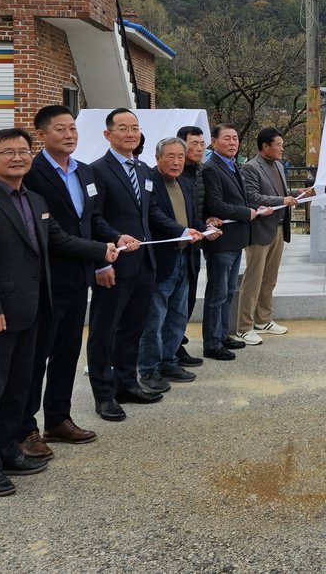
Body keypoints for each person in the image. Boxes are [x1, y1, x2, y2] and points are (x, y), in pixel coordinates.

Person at [0, 128, 118, 497]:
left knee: (18, 389)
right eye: (8, 152)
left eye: (23, 151)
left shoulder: (34, 199)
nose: (17, 157)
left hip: (31, 311)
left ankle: (8, 451)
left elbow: (57, 239)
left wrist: (101, 249)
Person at [17, 106, 131, 458]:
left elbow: (91, 219)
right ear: (41, 135)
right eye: (60, 129)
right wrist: (99, 251)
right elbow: (49, 231)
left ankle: (57, 419)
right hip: (46, 279)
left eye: (72, 128)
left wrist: (116, 237)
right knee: (36, 356)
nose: (69, 135)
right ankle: (25, 429)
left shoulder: (83, 171)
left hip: (78, 276)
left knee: (67, 351)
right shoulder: (31, 174)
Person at [88, 109, 197, 422]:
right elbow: (93, 218)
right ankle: (104, 395)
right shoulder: (96, 170)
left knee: (133, 328)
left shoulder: (143, 170)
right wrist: (109, 247)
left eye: (134, 128)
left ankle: (126, 383)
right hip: (115, 262)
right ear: (108, 134)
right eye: (123, 128)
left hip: (145, 263)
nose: (130, 134)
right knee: (104, 332)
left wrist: (181, 230)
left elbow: (151, 213)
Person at [138, 138, 216, 392]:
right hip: (162, 259)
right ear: (157, 158)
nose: (176, 162)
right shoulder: (149, 182)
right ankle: (148, 369)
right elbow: (154, 215)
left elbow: (192, 218)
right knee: (155, 317)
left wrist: (206, 228)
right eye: (170, 156)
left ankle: (169, 362)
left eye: (180, 157)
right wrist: (181, 231)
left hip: (185, 257)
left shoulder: (185, 183)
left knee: (178, 314)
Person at [201, 124, 271, 360]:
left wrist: (257, 208)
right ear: (214, 142)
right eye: (227, 138)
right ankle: (212, 343)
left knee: (229, 292)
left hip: (235, 240)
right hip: (221, 241)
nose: (233, 143)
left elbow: (241, 199)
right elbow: (215, 205)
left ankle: (222, 336)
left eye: (235, 138)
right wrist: (245, 213)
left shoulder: (232, 165)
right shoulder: (211, 168)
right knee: (217, 294)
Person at [238, 128, 309, 345]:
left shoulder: (278, 165)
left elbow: (281, 194)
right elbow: (252, 197)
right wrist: (282, 200)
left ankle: (263, 320)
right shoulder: (251, 167)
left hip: (278, 228)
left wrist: (297, 194)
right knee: (253, 280)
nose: (282, 149)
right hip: (260, 230)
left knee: (270, 279)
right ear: (265, 146)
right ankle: (244, 327)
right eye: (279, 145)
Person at [176, 125, 209, 367]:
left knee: (187, 298)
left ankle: (177, 342)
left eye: (202, 143)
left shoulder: (200, 172)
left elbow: (201, 207)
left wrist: (208, 223)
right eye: (194, 143)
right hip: (177, 244)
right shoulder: (176, 175)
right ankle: (173, 348)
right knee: (175, 301)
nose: (199, 148)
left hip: (195, 244)